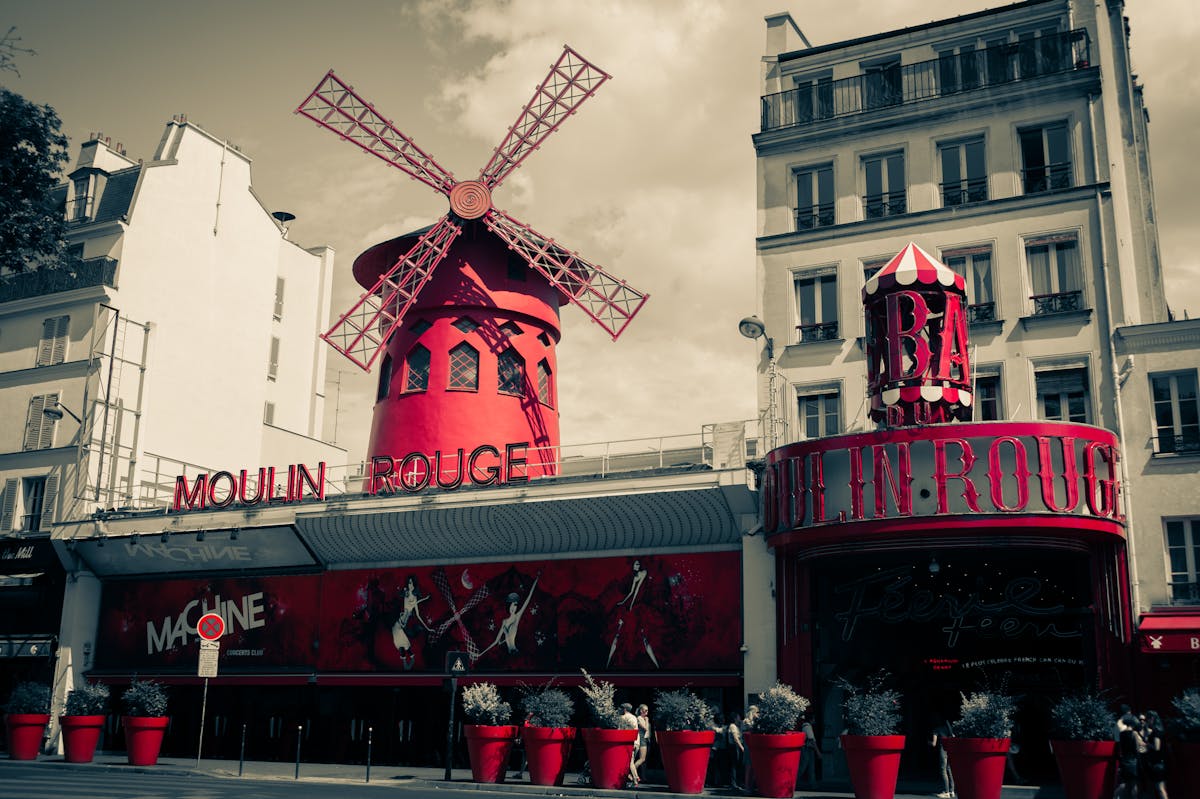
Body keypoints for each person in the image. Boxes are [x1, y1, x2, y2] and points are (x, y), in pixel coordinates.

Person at [1114, 711, 1145, 799]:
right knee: (1134, 785)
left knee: (1127, 786)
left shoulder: (1121, 734)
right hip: (1133, 763)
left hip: (1124, 762)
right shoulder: (1134, 734)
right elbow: (1137, 749)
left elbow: (1120, 749)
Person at [1141, 709, 1169, 799]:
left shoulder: (1156, 731)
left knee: (1160, 788)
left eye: (1147, 719)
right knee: (1160, 787)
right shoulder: (1160, 729)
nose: (1146, 721)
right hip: (1161, 762)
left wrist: (1147, 744)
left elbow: (1157, 747)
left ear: (1152, 718)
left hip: (1157, 764)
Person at [930, 714, 955, 799]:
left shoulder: (936, 729)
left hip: (943, 749)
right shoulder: (948, 728)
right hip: (950, 749)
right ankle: (952, 791)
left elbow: (934, 744)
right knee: (949, 770)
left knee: (943, 770)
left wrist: (928, 742)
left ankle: (946, 791)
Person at [796, 708, 822, 788]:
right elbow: (812, 740)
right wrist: (818, 752)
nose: (815, 720)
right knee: (803, 766)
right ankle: (794, 780)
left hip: (808, 749)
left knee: (811, 766)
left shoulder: (807, 726)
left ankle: (812, 783)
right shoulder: (807, 726)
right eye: (814, 718)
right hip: (806, 749)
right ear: (811, 719)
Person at [619, 702, 640, 786]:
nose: (619, 710)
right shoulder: (634, 717)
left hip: (628, 742)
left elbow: (619, 730)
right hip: (636, 742)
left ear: (624, 709)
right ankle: (631, 777)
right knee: (630, 761)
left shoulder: (622, 717)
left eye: (620, 709)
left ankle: (635, 778)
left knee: (629, 762)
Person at [633, 703, 652, 784]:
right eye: (645, 710)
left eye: (647, 710)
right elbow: (645, 728)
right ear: (641, 711)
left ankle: (643, 777)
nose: (647, 712)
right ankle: (631, 772)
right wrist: (647, 720)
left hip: (647, 740)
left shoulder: (644, 718)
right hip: (642, 739)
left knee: (644, 761)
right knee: (642, 759)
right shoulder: (639, 718)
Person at [728, 711, 746, 791]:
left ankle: (739, 782)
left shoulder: (737, 726)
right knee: (734, 764)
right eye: (738, 716)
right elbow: (735, 738)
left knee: (739, 764)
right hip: (734, 747)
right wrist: (742, 747)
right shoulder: (732, 726)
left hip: (738, 746)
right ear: (735, 717)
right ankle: (734, 784)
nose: (740, 718)